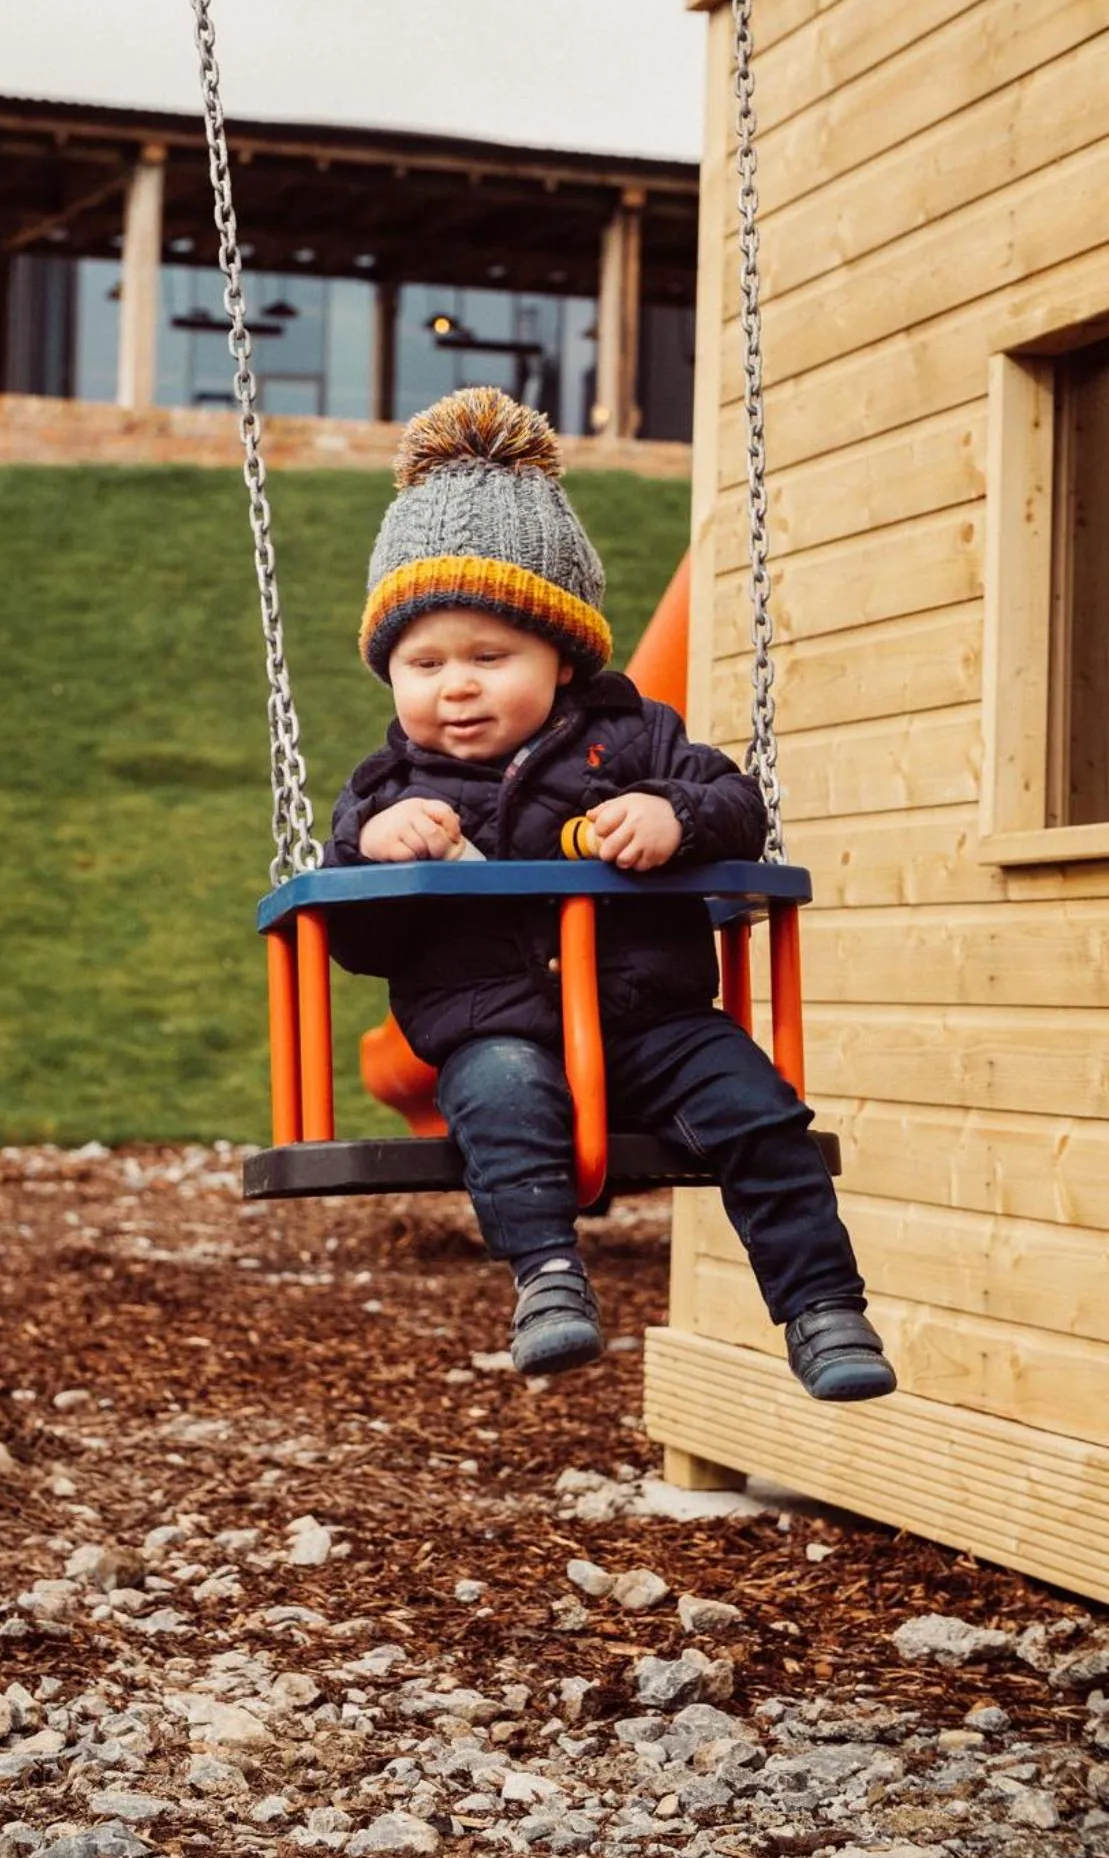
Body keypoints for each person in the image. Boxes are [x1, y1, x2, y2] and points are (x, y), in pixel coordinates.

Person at [324, 385, 896, 1403]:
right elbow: (358, 945)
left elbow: (735, 799)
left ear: (562, 653)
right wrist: (376, 852)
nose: (455, 685)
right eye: (423, 663)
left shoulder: (633, 739)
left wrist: (676, 817)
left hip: (654, 1018)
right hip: (494, 1025)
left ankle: (824, 1309)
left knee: (759, 1113)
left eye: (490, 657)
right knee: (501, 1098)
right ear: (390, 672)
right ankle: (548, 1279)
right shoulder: (386, 790)